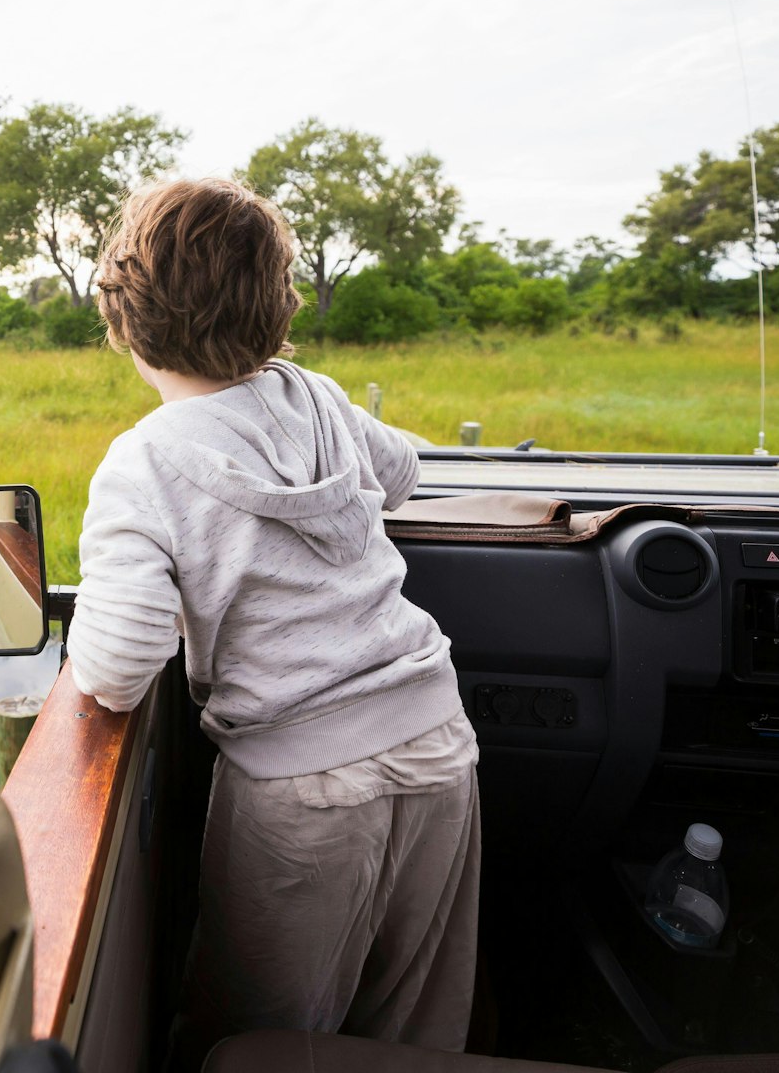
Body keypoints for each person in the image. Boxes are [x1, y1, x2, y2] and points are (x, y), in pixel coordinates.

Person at [63, 177, 481, 1062]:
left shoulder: (142, 464)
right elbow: (402, 472)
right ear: (278, 303)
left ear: (124, 314)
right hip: (438, 740)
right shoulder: (318, 395)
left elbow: (118, 664)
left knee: (260, 1036)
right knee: (414, 1020)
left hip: (304, 785)